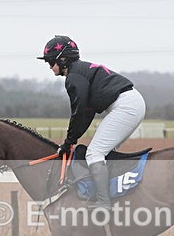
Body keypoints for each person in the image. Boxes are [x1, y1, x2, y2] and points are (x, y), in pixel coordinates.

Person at [37, 35, 146, 211]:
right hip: (130, 103)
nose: (50, 67)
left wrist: (69, 141)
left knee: (94, 153)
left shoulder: (74, 77)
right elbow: (86, 113)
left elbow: (79, 113)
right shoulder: (79, 71)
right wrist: (72, 139)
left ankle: (103, 202)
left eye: (51, 62)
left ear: (63, 59)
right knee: (104, 152)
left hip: (125, 106)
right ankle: (114, 195)